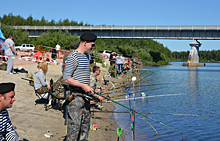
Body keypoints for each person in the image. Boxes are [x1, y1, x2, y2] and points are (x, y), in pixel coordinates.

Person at [63, 32, 102, 141]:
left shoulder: (86, 56)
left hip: (85, 97)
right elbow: (66, 78)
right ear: (85, 43)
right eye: (92, 45)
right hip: (75, 97)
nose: (93, 47)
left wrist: (90, 88)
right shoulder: (73, 56)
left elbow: (84, 77)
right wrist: (83, 86)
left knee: (84, 129)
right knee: (74, 130)